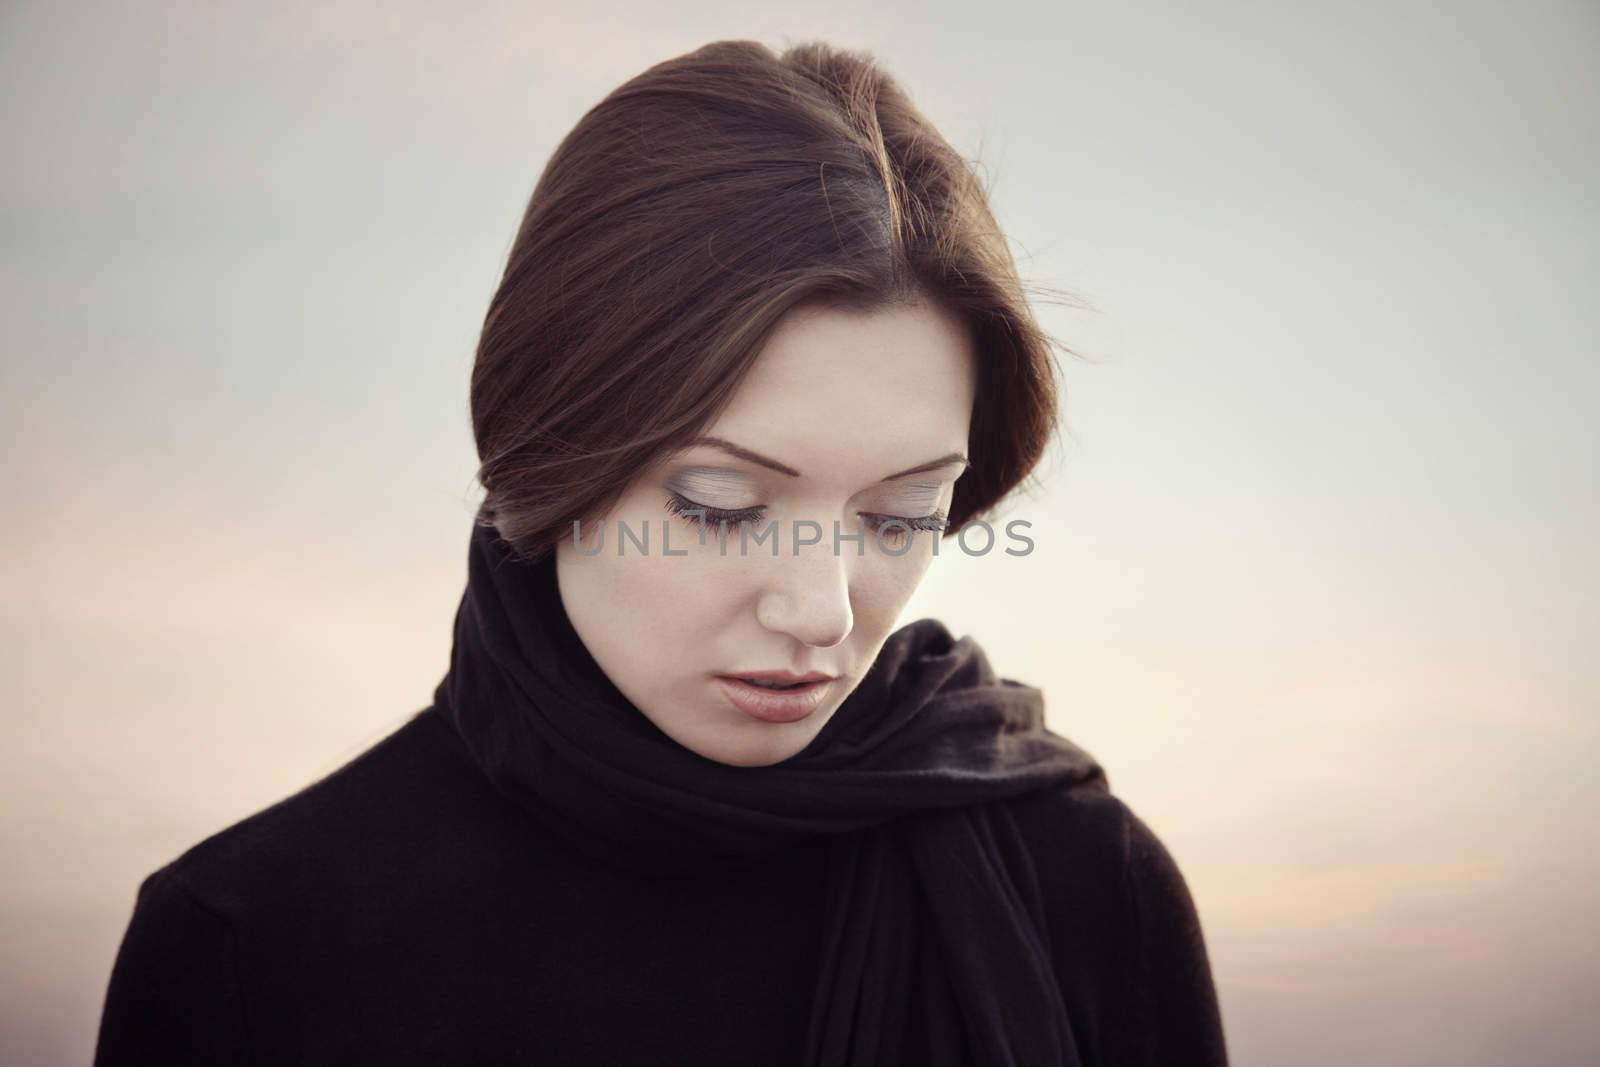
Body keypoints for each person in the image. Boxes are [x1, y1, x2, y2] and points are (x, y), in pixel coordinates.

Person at [94, 38, 1229, 1066]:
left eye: (900, 513)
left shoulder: (1085, 882)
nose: (821, 609)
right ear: (551, 452)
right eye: (722, 502)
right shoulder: (253, 941)